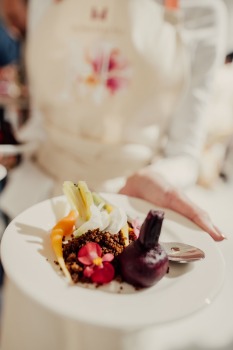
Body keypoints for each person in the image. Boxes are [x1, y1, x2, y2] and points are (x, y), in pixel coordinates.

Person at [0, 0, 228, 241]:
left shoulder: (202, 10)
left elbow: (185, 155)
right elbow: (41, 120)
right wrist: (16, 150)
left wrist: (161, 178)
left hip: (127, 211)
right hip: (37, 209)